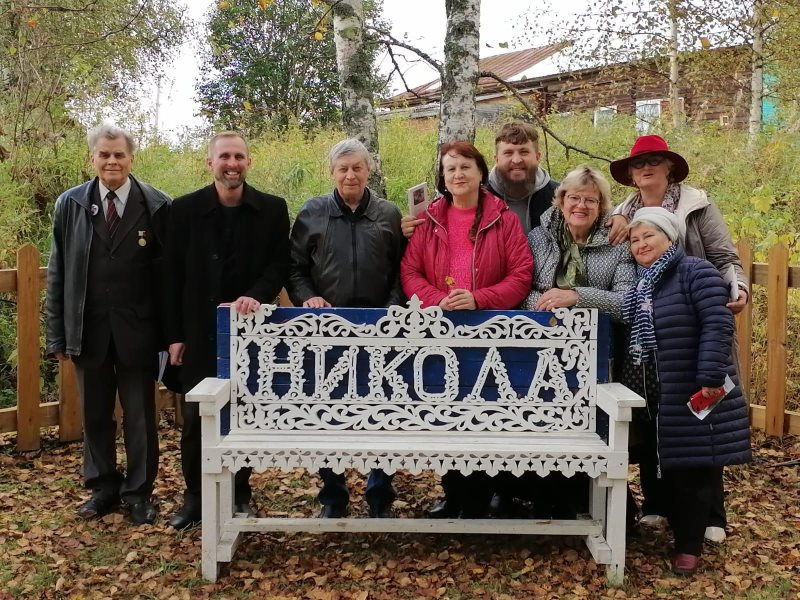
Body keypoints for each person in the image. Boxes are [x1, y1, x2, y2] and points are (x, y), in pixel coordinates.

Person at [607, 135, 748, 542]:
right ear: (630, 175)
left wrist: (737, 289)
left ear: (669, 167)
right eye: (637, 164)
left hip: (695, 325)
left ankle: (712, 516)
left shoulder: (696, 205)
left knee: (705, 419)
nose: (645, 168)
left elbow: (724, 257)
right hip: (648, 333)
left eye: (654, 161)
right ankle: (656, 504)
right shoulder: (622, 214)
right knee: (654, 421)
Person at [162, 131, 290, 529]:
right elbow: (169, 277)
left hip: (251, 334)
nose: (231, 164)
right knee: (197, 419)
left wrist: (254, 295)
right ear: (210, 163)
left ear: (248, 162)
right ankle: (195, 499)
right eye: (224, 157)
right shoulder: (182, 211)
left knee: (243, 416)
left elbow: (278, 265)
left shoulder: (271, 209)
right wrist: (174, 335)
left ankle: (239, 495)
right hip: (198, 332)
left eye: (238, 157)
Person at [492, 166, 635, 519]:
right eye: (574, 198)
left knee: (587, 429)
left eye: (590, 200)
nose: (581, 206)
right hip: (539, 350)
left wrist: (576, 296)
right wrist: (544, 309)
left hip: (596, 356)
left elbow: (627, 303)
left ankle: (583, 504)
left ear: (602, 206)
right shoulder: (539, 237)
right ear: (560, 200)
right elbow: (521, 286)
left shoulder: (617, 245)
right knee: (535, 425)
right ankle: (533, 497)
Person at [400, 141, 533, 518]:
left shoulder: (502, 218)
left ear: (480, 172)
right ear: (443, 177)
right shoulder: (430, 219)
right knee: (445, 414)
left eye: (465, 168)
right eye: (450, 169)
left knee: (487, 414)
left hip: (488, 332)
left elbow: (521, 274)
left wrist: (479, 298)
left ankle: (486, 495)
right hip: (439, 332)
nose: (457, 175)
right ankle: (453, 493)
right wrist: (434, 300)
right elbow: (409, 271)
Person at [45, 124, 170, 525]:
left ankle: (139, 493)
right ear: (92, 158)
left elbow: (169, 278)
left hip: (139, 331)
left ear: (131, 158)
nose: (112, 161)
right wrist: (57, 335)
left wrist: (169, 337)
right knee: (95, 415)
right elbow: (58, 274)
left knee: (139, 417)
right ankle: (102, 488)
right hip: (88, 329)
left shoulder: (157, 205)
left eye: (119, 154)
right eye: (104, 154)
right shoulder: (70, 205)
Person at [622, 207, 751, 575]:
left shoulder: (695, 272)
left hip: (696, 387)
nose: (641, 244)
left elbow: (717, 320)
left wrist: (710, 372)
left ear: (670, 237)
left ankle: (689, 545)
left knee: (694, 468)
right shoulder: (642, 283)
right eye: (635, 239)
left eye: (649, 236)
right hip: (659, 394)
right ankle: (674, 529)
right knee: (665, 466)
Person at [287, 138, 405, 518]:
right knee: (327, 416)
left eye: (357, 167)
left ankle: (379, 492)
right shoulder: (313, 212)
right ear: (332, 173)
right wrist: (308, 298)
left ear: (368, 170)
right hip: (327, 333)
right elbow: (294, 267)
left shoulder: (387, 214)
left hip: (381, 332)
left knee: (383, 413)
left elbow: (403, 269)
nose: (351, 175)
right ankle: (333, 493)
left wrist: (393, 306)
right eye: (343, 169)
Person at [401, 121, 558, 238]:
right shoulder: (475, 194)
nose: (516, 160)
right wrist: (412, 227)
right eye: (508, 153)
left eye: (524, 152)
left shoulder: (558, 197)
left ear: (537, 157)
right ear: (496, 158)